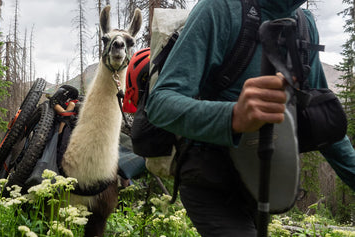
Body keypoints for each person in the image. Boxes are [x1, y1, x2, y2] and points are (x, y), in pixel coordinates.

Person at [146, 0, 355, 236]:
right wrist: (233, 116)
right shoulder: (221, 10)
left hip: (264, 181)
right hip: (211, 181)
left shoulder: (304, 24)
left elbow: (322, 122)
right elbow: (159, 103)